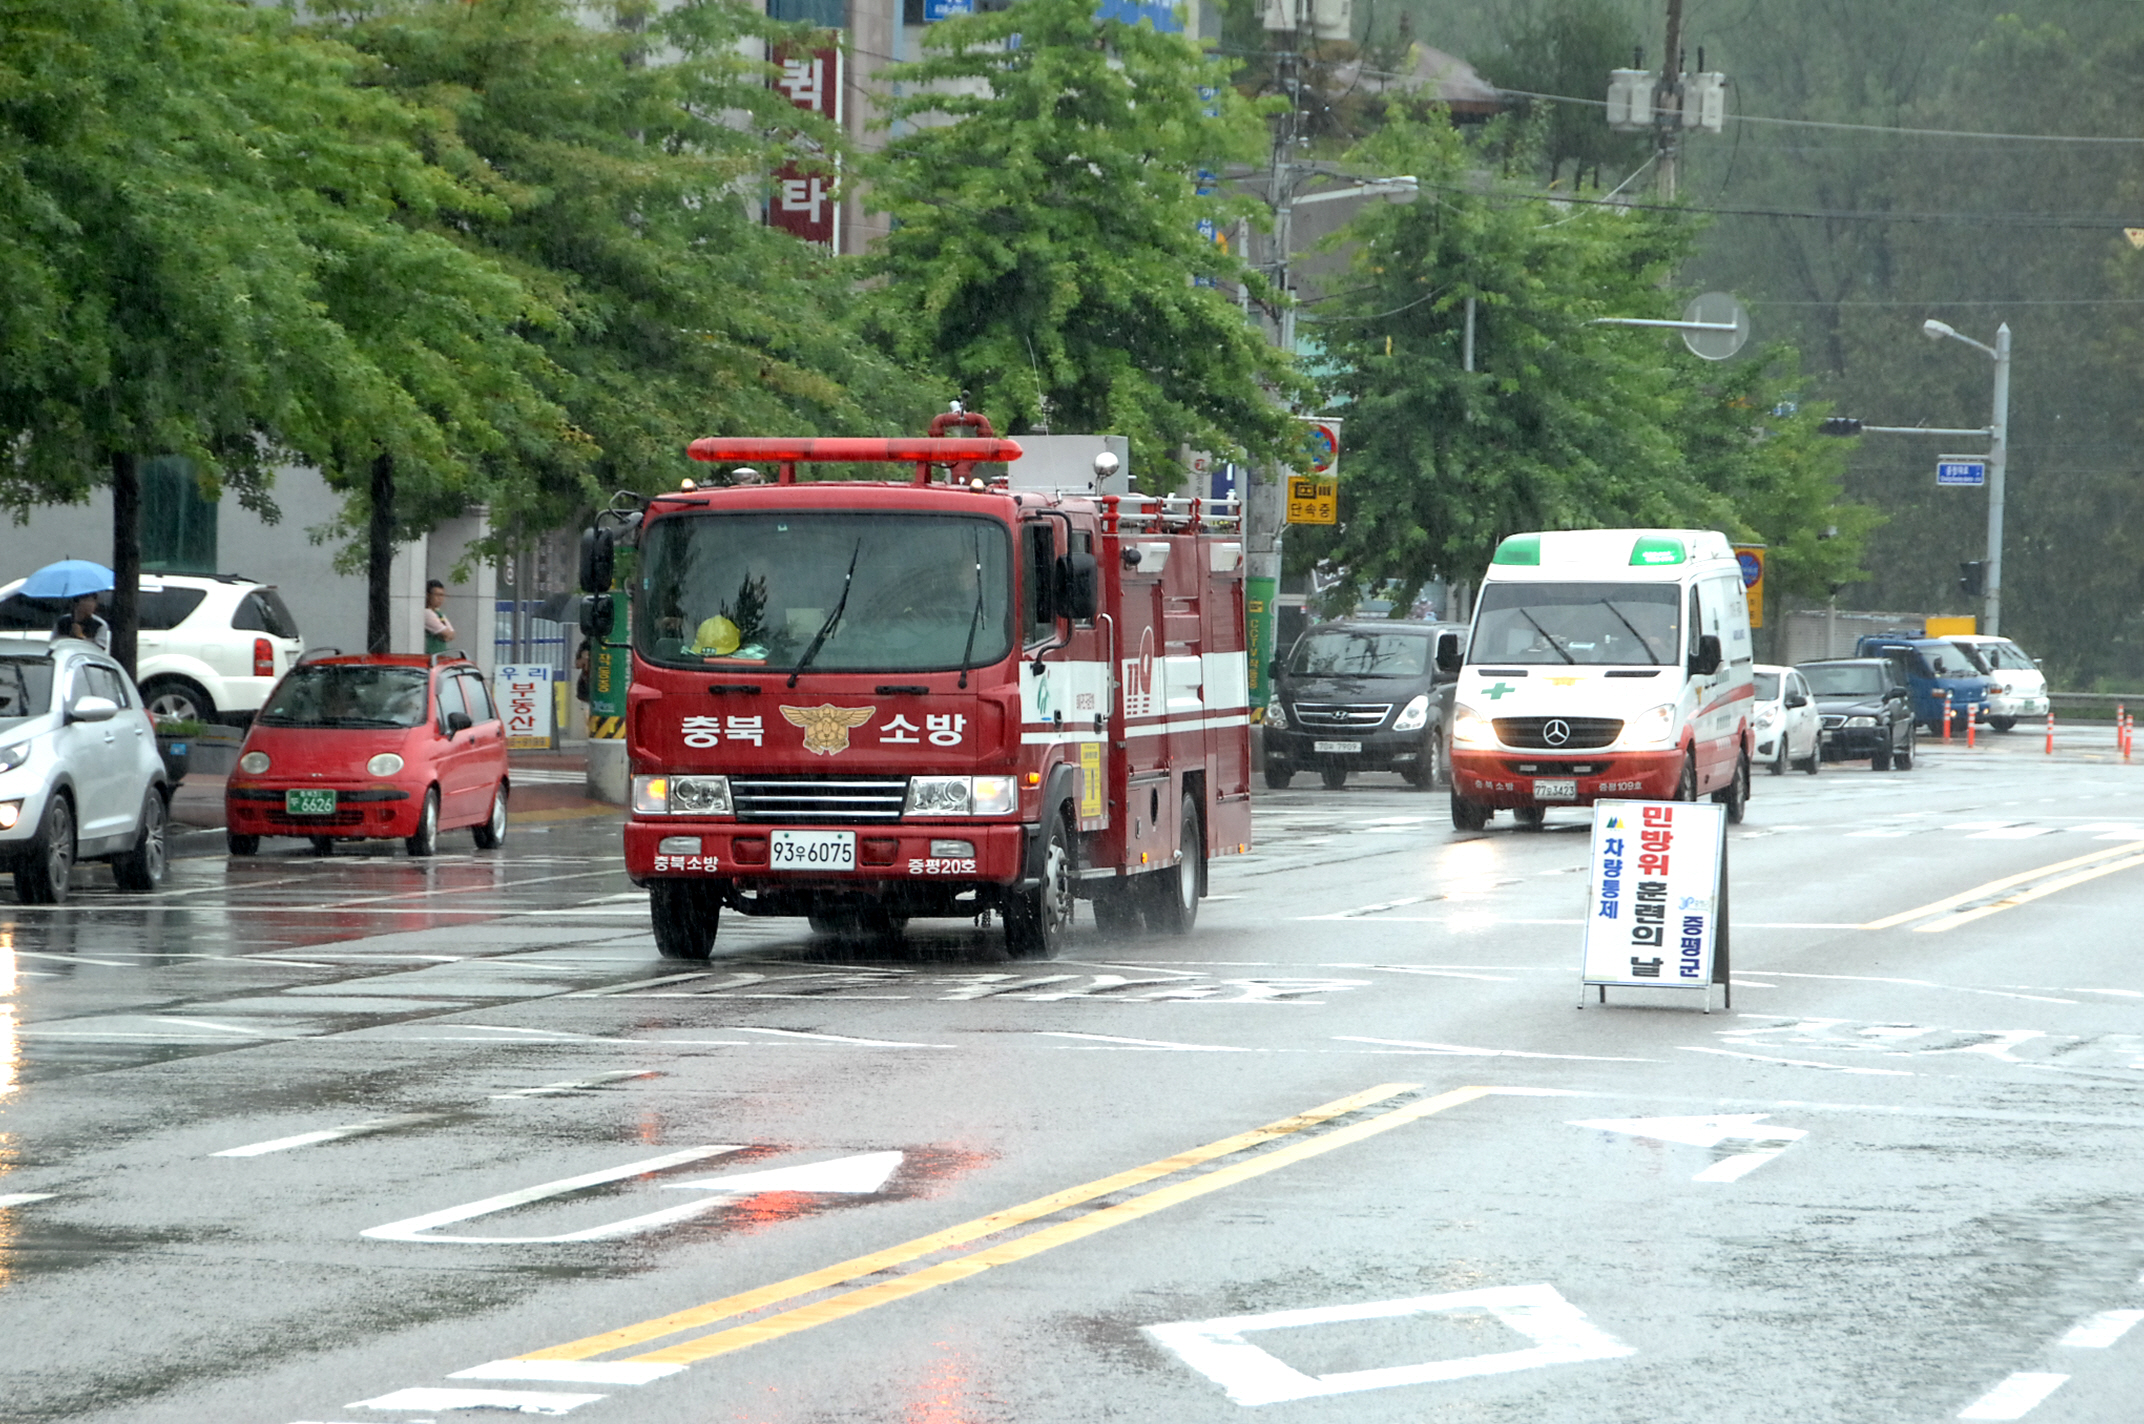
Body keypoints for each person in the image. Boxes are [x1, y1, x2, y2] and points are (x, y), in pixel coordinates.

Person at [423, 579, 454, 655]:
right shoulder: (426, 613)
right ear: (428, 595)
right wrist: (444, 636)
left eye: (442, 595)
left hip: (440, 656)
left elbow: (452, 634)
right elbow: (446, 634)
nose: (440, 599)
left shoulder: (438, 613)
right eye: (437, 595)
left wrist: (445, 635)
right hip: (430, 656)